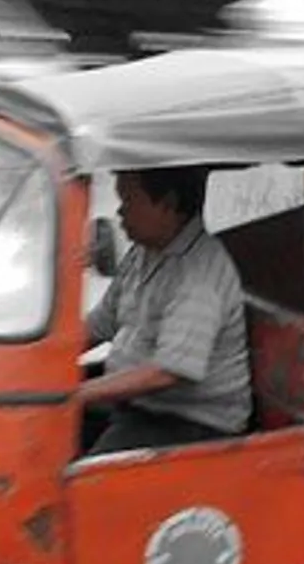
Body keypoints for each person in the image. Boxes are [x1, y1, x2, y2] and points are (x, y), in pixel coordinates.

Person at [79, 166, 253, 456]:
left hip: (188, 421)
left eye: (128, 202)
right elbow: (99, 325)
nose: (120, 213)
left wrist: (79, 395)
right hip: (137, 402)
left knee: (88, 480)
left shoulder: (198, 273)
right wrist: (46, 362)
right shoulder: (142, 253)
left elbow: (168, 372)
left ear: (168, 204)